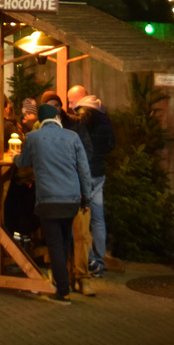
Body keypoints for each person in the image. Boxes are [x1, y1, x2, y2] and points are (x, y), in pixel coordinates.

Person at [14, 102, 92, 305]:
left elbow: (23, 162)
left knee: (55, 244)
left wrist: (15, 156)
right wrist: (86, 197)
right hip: (71, 198)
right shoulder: (72, 137)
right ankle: (62, 281)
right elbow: (83, 169)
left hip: (48, 198)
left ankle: (62, 291)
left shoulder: (33, 137)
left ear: (40, 120)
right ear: (57, 118)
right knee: (65, 241)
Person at [39, 90, 95, 295]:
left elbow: (87, 151)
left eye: (57, 105)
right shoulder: (40, 129)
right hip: (55, 190)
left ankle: (82, 277)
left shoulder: (75, 124)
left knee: (81, 234)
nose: (55, 109)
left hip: (76, 187)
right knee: (60, 238)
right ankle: (63, 277)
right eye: (50, 106)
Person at [74, 94, 116, 278]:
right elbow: (110, 146)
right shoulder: (105, 122)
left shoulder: (82, 122)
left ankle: (90, 260)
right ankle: (100, 260)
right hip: (100, 174)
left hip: (84, 175)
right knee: (98, 219)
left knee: (81, 219)